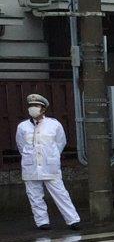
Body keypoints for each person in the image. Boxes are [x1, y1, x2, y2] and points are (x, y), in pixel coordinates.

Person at [15, 93, 81, 231]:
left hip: (50, 165)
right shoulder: (22, 126)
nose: (33, 108)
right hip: (31, 166)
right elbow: (21, 145)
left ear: (43, 109)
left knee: (61, 193)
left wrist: (52, 156)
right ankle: (42, 222)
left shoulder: (54, 124)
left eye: (36, 106)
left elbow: (60, 143)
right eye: (31, 106)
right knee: (34, 196)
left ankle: (73, 220)